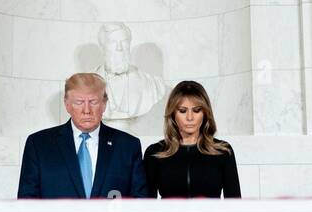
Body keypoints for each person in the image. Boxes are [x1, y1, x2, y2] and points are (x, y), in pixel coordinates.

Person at [17, 72, 149, 198]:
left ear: (104, 105)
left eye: (93, 102)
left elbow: (139, 202)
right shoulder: (39, 145)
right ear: (67, 105)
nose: (87, 110)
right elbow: (27, 203)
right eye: (79, 102)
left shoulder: (127, 146)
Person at [143, 80, 241, 198]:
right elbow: (146, 207)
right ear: (173, 114)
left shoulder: (223, 151)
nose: (190, 117)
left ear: (205, 112)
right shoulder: (155, 153)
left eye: (197, 110)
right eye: (182, 111)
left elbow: (235, 206)